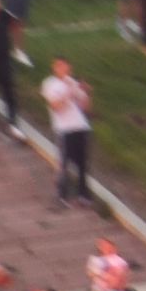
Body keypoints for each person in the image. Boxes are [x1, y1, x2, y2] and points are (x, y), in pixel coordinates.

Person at [42, 58, 93, 201]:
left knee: (83, 163)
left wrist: (86, 93)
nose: (63, 69)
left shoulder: (73, 82)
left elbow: (85, 108)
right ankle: (62, 193)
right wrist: (68, 92)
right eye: (59, 66)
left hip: (80, 126)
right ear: (54, 67)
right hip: (64, 129)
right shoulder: (50, 84)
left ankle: (83, 193)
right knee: (63, 163)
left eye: (65, 66)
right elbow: (55, 106)